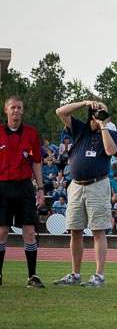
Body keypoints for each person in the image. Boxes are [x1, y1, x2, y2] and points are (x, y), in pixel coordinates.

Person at [53, 99, 117, 287]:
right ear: (91, 113)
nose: (102, 114)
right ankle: (75, 274)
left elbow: (111, 150)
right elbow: (60, 112)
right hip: (76, 186)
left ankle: (99, 275)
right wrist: (84, 103)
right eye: (100, 111)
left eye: (105, 112)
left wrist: (103, 126)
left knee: (98, 230)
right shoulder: (80, 129)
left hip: (97, 185)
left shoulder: (110, 132)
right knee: (75, 230)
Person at [0, 95, 46, 288]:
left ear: (23, 110)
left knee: (29, 232)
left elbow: (36, 162)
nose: (16, 110)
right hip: (2, 187)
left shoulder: (31, 133)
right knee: (1, 232)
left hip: (24, 186)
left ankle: (32, 276)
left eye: (19, 107)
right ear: (6, 110)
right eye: (12, 107)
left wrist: (41, 188)